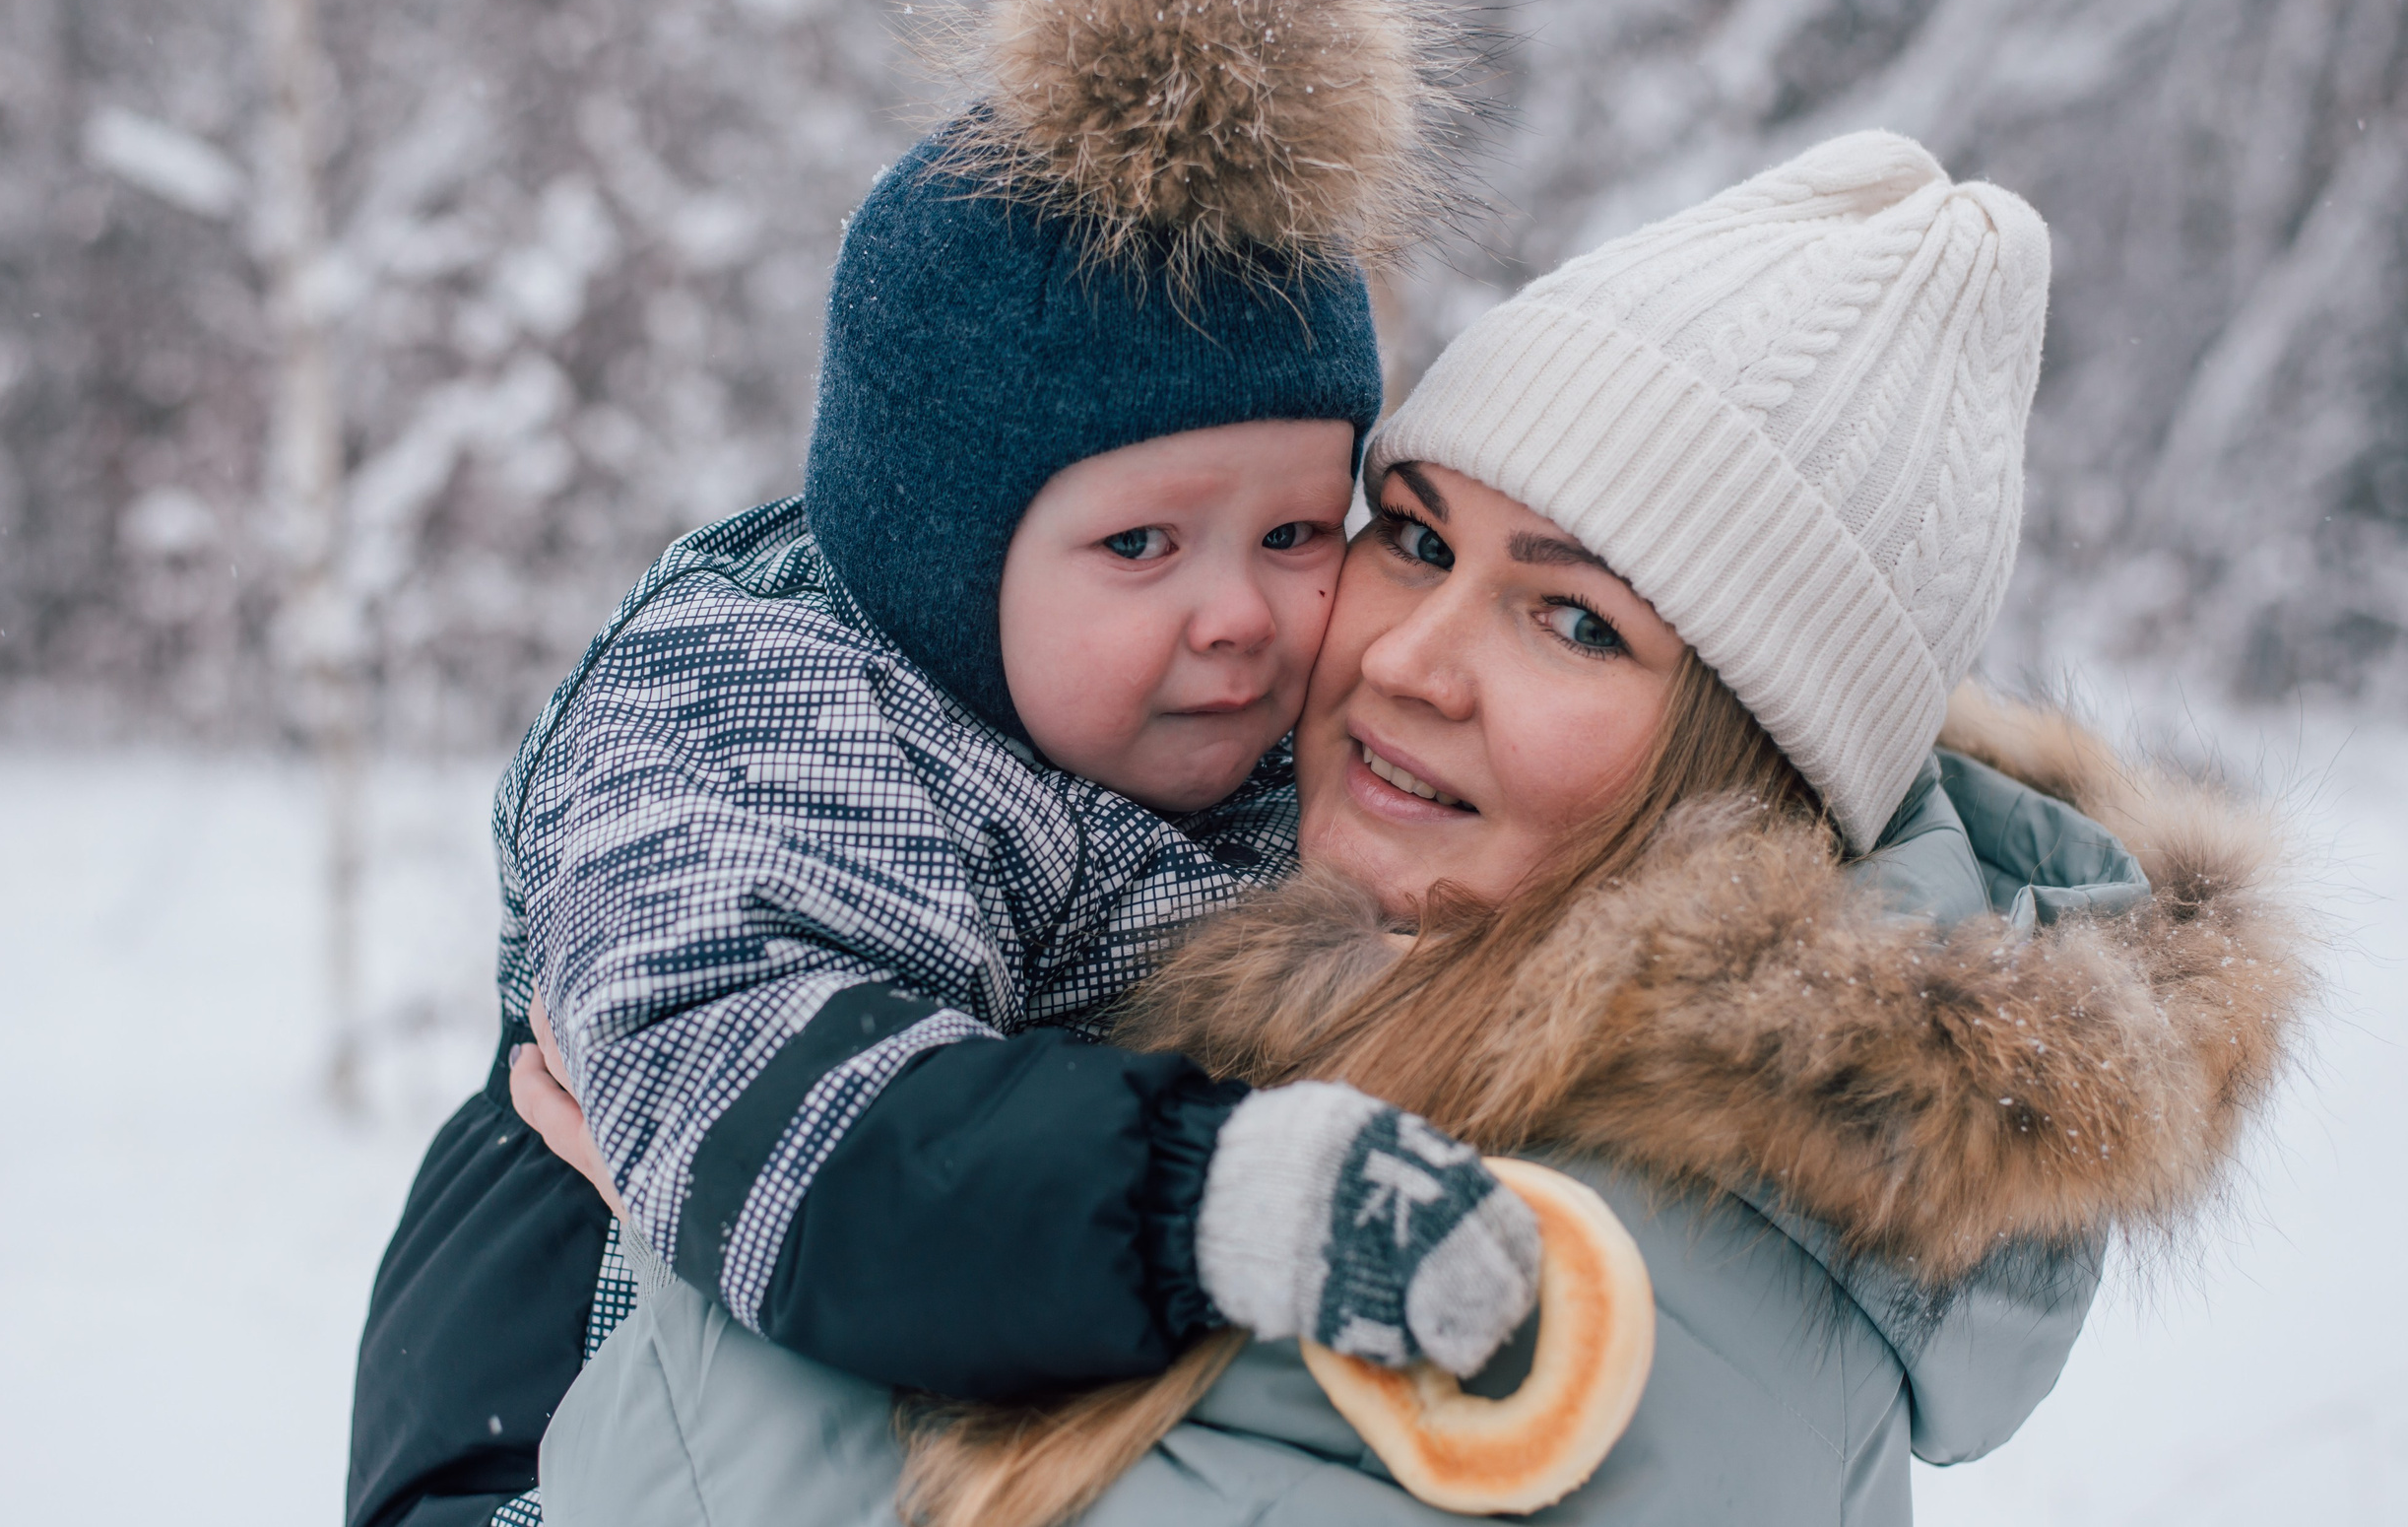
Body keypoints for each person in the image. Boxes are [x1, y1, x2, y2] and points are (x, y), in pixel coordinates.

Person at [525, 129, 2314, 1526]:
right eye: (1415, 535)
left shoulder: (1614, 1285)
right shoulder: (1367, 985)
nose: (1402, 657)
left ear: (1749, 769)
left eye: (1576, 619)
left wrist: (672, 1230)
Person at [345, 0, 1524, 1524]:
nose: (1241, 617)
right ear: (943, 552)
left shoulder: (1224, 761)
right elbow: (807, 1123)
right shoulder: (762, 727)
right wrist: (1209, 1195)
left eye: (1289, 528)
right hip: (543, 1443)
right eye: (1139, 543)